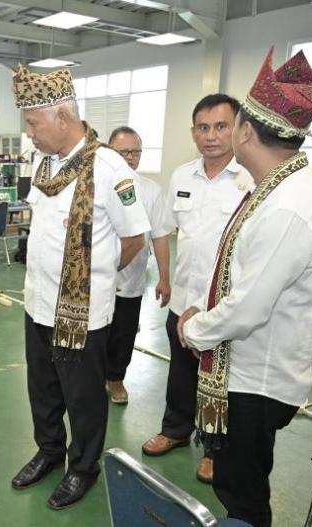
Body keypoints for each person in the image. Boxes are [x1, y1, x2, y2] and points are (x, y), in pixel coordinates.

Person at [179, 48, 312, 527]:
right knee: (238, 481)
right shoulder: (281, 186)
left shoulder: (288, 205)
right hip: (249, 369)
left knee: (241, 491)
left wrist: (194, 328)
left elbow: (248, 309)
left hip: (256, 380)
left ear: (246, 130)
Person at [9, 64, 150, 510]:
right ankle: (49, 452)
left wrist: (92, 279)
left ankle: (83, 468)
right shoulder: (44, 162)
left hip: (82, 313)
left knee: (84, 399)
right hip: (37, 303)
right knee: (43, 389)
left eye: (33, 123)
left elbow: (134, 238)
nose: (28, 133)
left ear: (62, 118)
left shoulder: (109, 167)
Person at [141, 94, 254, 485]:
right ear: (193, 132)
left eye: (221, 126)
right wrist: (168, 280)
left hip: (225, 306)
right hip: (186, 298)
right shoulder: (181, 177)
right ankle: (175, 429)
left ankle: (213, 448)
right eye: (203, 128)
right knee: (182, 371)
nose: (211, 136)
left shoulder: (249, 180)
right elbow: (171, 234)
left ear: (239, 129)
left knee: (220, 379)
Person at [105, 126, 173, 404]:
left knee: (123, 334)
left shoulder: (150, 191)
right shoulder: (95, 186)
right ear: (109, 152)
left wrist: (164, 278)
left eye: (135, 152)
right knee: (93, 335)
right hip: (96, 282)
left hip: (130, 282)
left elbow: (159, 236)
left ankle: (116, 379)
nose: (130, 158)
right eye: (124, 152)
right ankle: (91, 379)